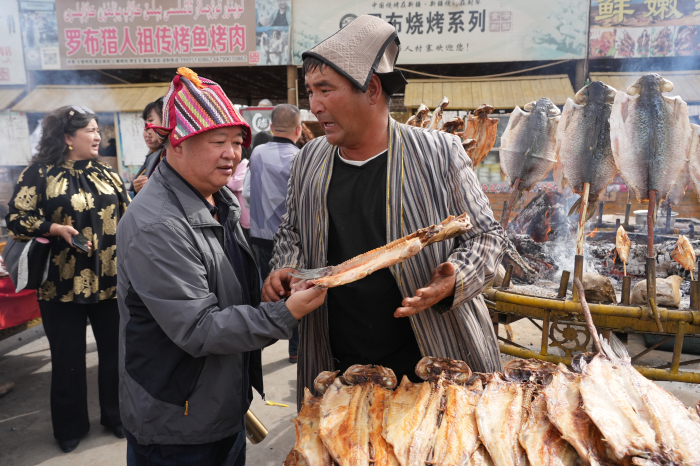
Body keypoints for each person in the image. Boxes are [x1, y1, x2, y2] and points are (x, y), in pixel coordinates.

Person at [263, 16, 507, 407]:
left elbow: (488, 236)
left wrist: (454, 277)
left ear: (372, 89)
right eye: (311, 91)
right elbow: (292, 230)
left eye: (325, 89)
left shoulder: (438, 151)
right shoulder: (309, 158)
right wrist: (285, 266)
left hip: (431, 355)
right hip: (337, 359)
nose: (315, 105)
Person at [116, 68, 326, 466]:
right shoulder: (158, 225)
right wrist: (283, 315)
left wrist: (269, 289)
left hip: (216, 403)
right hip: (176, 420)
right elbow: (197, 327)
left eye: (236, 141)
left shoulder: (218, 201)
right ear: (175, 146)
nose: (232, 153)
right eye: (218, 142)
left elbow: (221, 292)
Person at [6, 105, 130, 452]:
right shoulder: (38, 173)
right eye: (89, 130)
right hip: (59, 285)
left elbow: (129, 216)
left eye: (97, 129)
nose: (97, 136)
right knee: (67, 359)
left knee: (116, 354)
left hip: (110, 281)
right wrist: (53, 227)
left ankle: (117, 415)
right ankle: (69, 427)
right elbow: (17, 219)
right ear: (66, 137)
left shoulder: (108, 173)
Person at [245, 104, 302, 363]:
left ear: (270, 127)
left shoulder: (256, 153)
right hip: (290, 239)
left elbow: (247, 192)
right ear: (298, 129)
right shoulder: (299, 156)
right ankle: (295, 349)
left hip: (258, 234)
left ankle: (256, 343)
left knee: (265, 290)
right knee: (294, 291)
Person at [129, 98, 164, 197]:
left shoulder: (169, 154)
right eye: (145, 128)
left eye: (150, 120)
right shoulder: (152, 156)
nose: (147, 132)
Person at [227, 144, 251, 243]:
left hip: (245, 211)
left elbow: (235, 184)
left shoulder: (245, 164)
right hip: (239, 209)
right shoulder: (238, 165)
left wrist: (225, 178)